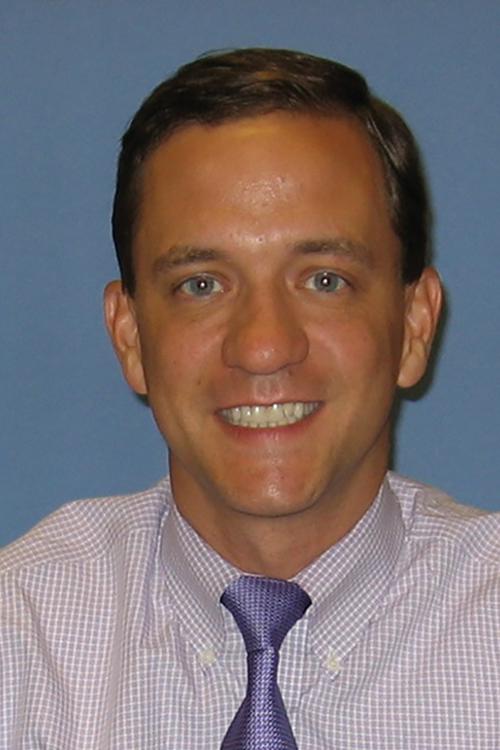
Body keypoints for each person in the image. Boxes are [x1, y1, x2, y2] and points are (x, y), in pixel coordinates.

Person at [1, 48, 499, 749]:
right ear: (130, 337)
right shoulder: (21, 642)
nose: (264, 347)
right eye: (201, 285)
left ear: (414, 326)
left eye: (324, 280)